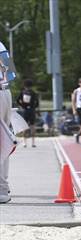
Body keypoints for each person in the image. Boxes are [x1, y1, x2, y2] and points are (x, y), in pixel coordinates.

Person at [0, 41, 15, 203]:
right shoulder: (1, 45)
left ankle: (2, 189)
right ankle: (3, 188)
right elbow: (11, 73)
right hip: (5, 92)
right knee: (3, 141)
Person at [16, 79, 39, 147]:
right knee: (32, 126)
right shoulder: (33, 93)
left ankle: (25, 142)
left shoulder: (22, 92)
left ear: (24, 85)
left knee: (24, 126)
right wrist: (33, 107)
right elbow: (37, 103)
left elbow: (17, 100)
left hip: (25, 110)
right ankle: (33, 143)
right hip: (32, 111)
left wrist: (22, 106)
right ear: (31, 85)